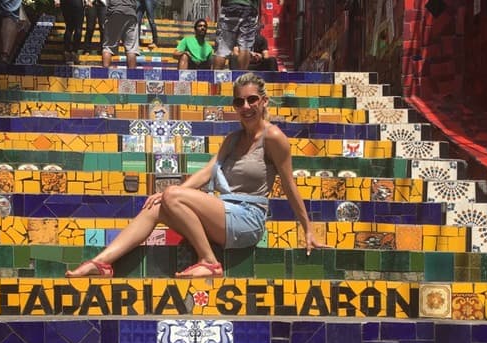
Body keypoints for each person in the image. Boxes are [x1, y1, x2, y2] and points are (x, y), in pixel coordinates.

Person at [66, 73, 320, 279]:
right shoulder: (233, 139)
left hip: (247, 219)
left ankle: (210, 262)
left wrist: (306, 229)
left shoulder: (274, 138)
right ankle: (101, 264)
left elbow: (289, 185)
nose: (245, 106)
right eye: (239, 102)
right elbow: (207, 172)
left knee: (171, 196)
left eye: (252, 99)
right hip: (224, 212)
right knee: (156, 207)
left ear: (264, 101)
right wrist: (169, 196)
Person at [213, 0, 258, 70]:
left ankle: (215, 78)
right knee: (245, 46)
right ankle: (242, 78)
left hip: (230, 6)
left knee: (222, 48)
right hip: (249, 7)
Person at [101, 0, 139, 68]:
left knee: (108, 47)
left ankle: (104, 76)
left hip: (114, 12)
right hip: (130, 13)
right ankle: (132, 77)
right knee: (131, 49)